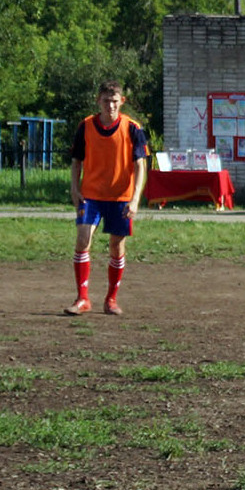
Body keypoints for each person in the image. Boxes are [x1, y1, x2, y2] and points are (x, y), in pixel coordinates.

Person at [65, 81, 148, 316]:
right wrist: (74, 188)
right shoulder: (86, 126)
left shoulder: (132, 128)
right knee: (82, 239)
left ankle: (111, 299)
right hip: (90, 195)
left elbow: (140, 165)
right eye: (105, 101)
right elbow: (76, 161)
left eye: (114, 101)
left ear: (122, 101)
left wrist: (135, 199)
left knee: (116, 246)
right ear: (98, 101)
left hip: (121, 196)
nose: (110, 106)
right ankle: (82, 298)